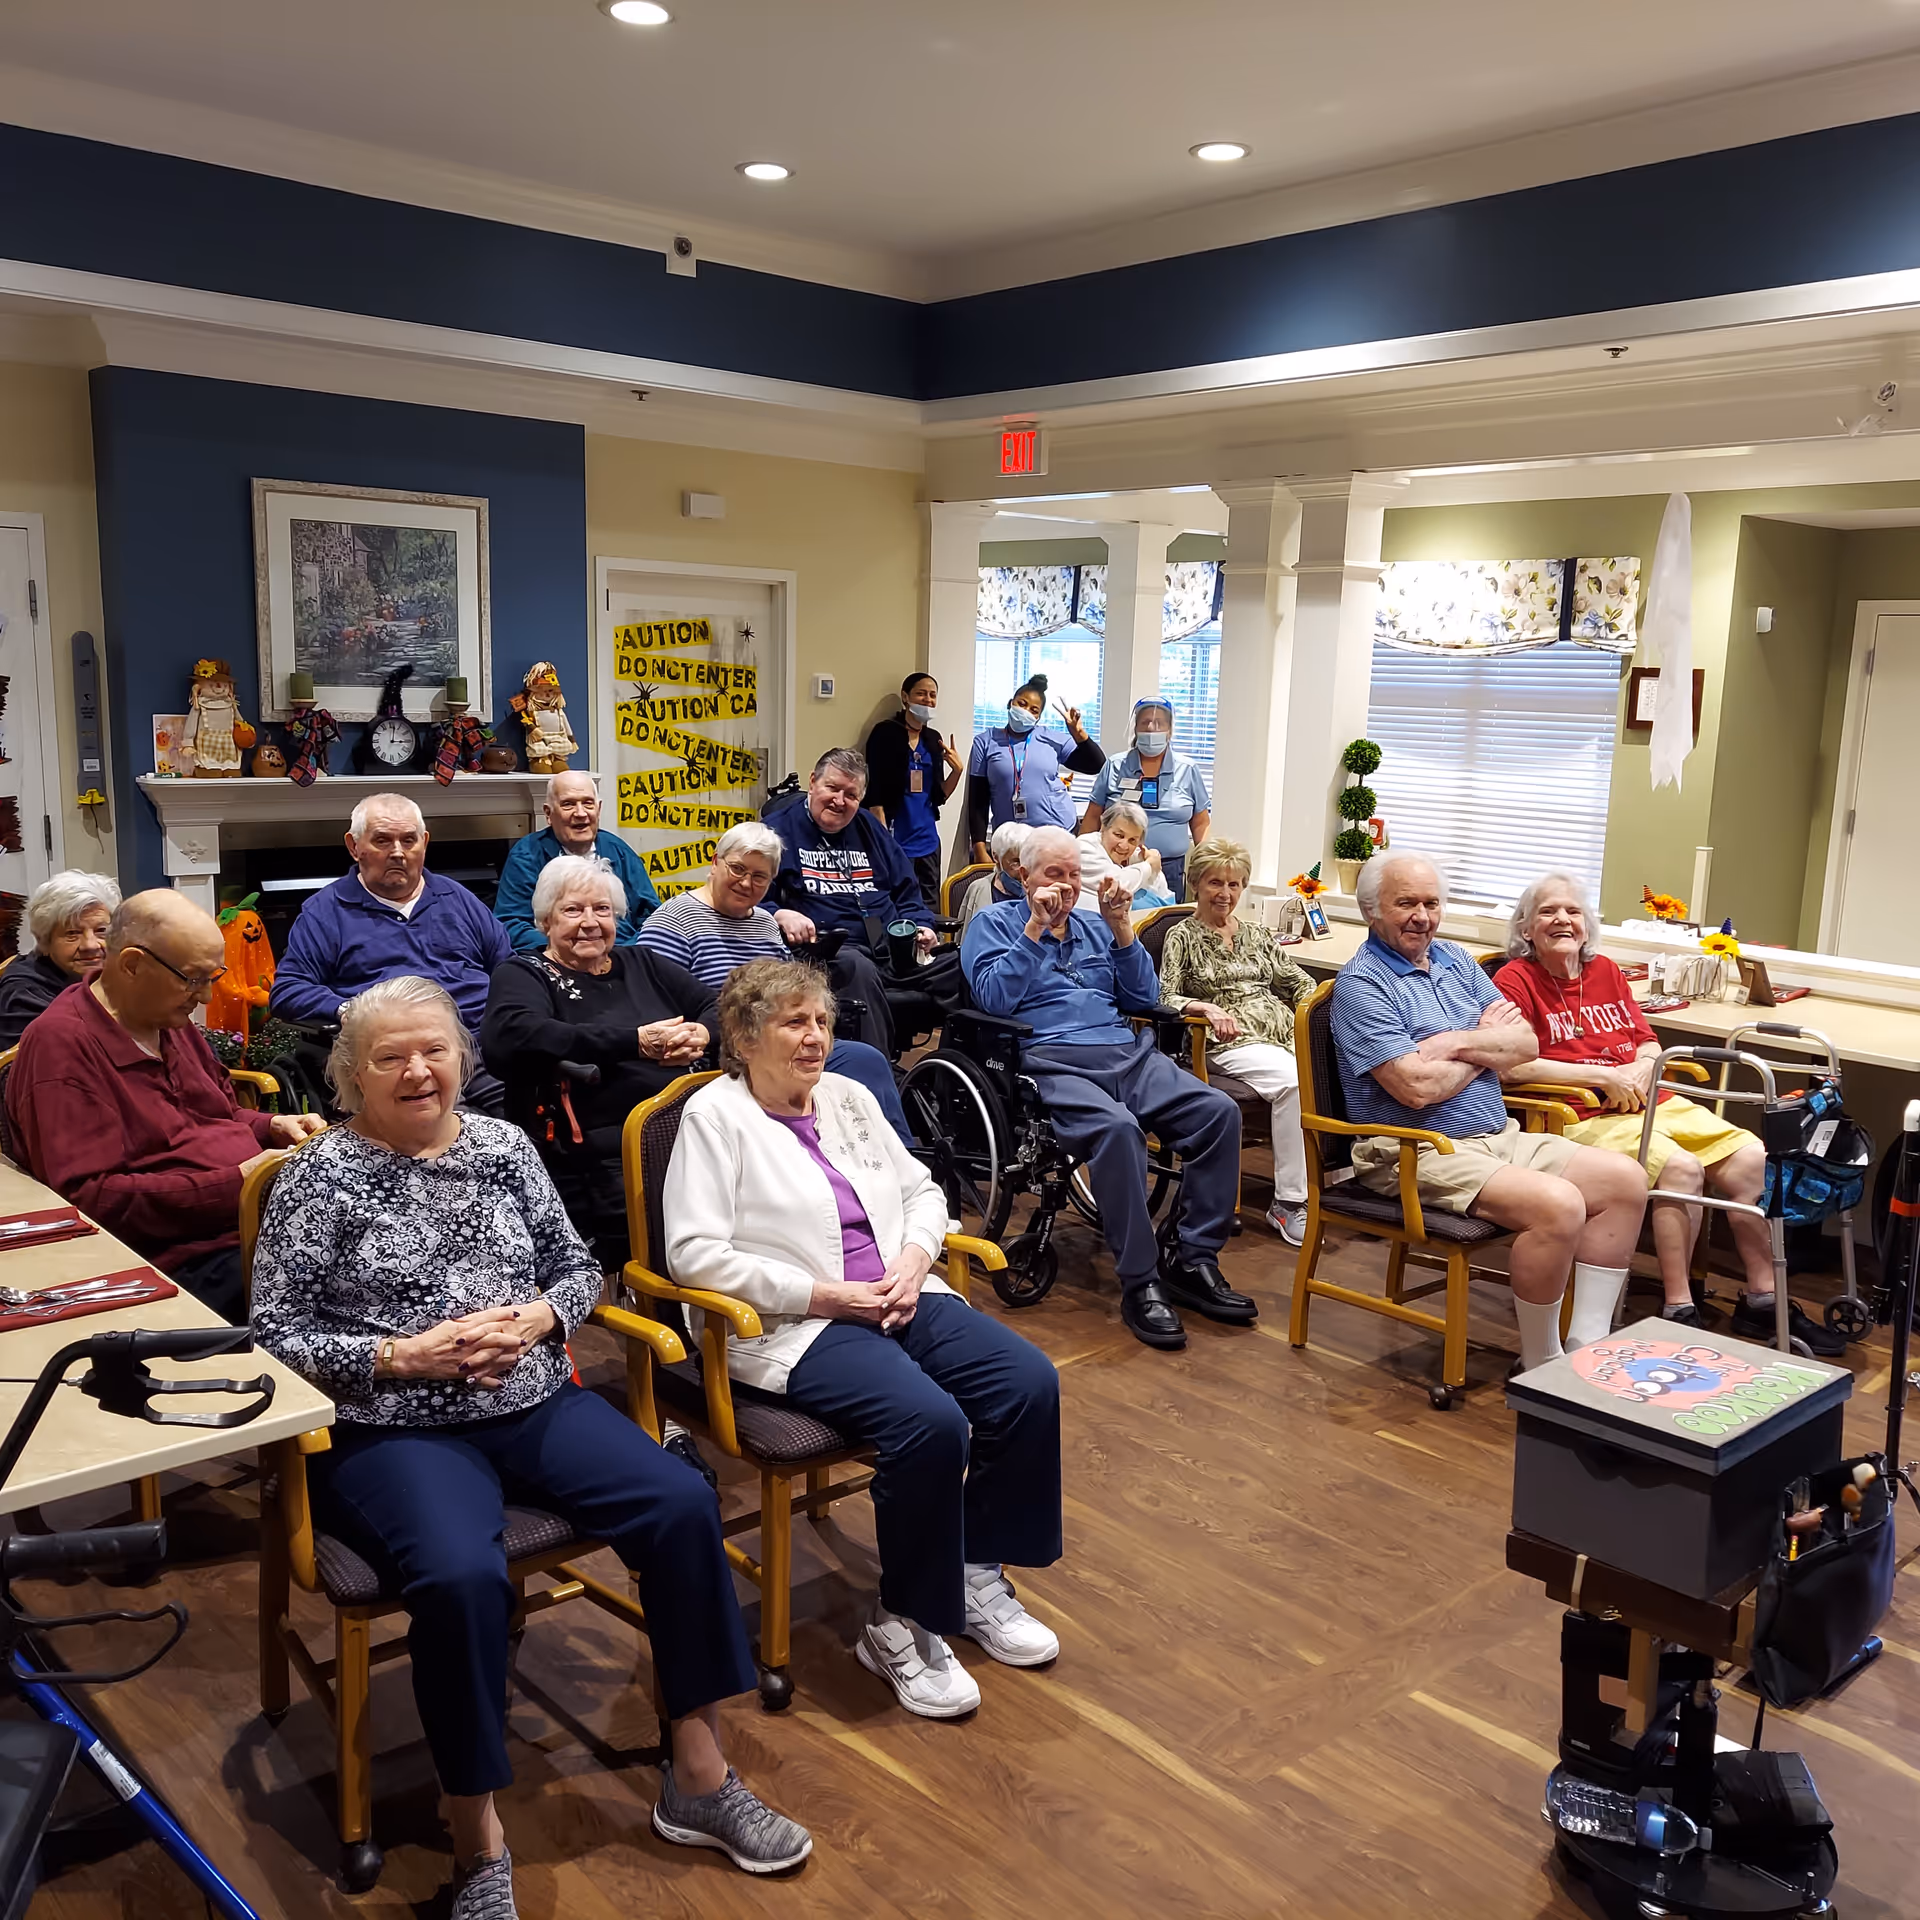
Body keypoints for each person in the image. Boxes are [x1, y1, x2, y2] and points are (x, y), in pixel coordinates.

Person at [253, 977, 808, 1916]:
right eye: (391, 1057)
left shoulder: (504, 1146)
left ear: (462, 1058)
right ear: (352, 1074)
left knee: (681, 1503)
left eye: (434, 1050)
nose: (418, 1071)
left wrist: (543, 1316)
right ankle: (476, 1835)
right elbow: (274, 1334)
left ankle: (698, 1775)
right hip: (391, 1424)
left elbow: (575, 1263)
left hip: (532, 1397)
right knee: (460, 1575)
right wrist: (398, 1355)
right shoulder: (318, 1177)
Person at [665, 960, 1062, 1720]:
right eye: (793, 1022)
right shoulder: (714, 1117)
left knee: (1026, 1382)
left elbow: (921, 1190)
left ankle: (974, 1571)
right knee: (930, 1422)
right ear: (744, 1038)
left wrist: (914, 1260)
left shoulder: (849, 1096)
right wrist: (824, 1294)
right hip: (794, 1320)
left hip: (897, 1291)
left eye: (821, 1021)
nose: (814, 1037)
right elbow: (695, 1255)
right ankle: (901, 1620)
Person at [1495, 871, 1847, 1355]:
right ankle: (1680, 1305)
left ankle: (1763, 1299)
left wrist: (1643, 1067)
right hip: (1577, 1114)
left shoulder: (1606, 971)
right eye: (1547, 912)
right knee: (1680, 1168)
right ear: (1526, 927)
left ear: (1587, 924)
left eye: (1572, 911)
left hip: (1649, 1101)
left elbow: (1646, 1040)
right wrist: (1600, 1078)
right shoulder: (1515, 979)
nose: (1562, 920)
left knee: (1752, 1158)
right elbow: (1510, 1065)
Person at [1330, 853, 1649, 1374]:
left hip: (1499, 1135)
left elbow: (1524, 1044)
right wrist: (1486, 1046)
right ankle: (1542, 1362)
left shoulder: (1456, 960)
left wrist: (1454, 1042)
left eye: (1432, 903)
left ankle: (1588, 1342)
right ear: (1371, 910)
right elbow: (1416, 1088)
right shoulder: (1361, 985)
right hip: (1413, 1150)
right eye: (1406, 903)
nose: (1423, 917)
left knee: (1625, 1181)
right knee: (1559, 1205)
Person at [961, 825, 1251, 1351]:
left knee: (1218, 1112)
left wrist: (1121, 929)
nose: (1067, 885)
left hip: (1125, 1052)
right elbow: (993, 1001)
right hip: (1050, 1062)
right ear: (1022, 875)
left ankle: (1193, 1259)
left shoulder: (1096, 925)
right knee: (1118, 1131)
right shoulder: (994, 924)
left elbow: (1142, 996)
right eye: (1054, 873)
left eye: (1074, 874)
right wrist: (1035, 929)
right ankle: (1141, 1281)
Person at [6, 890, 324, 1319]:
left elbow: (219, 1115)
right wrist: (239, 1182)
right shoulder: (61, 1047)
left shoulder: (166, 1018)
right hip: (182, 1258)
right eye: (192, 979)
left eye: (212, 977)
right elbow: (88, 1201)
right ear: (132, 964)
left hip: (248, 1226)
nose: (206, 997)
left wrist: (270, 1126)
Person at [480, 855, 715, 1266]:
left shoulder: (642, 962)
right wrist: (634, 1043)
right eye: (573, 910)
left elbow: (720, 1006)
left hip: (694, 1132)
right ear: (545, 921)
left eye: (602, 909)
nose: (590, 922)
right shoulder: (525, 972)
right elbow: (513, 1036)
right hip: (598, 1149)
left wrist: (703, 1033)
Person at [636, 823, 916, 1134]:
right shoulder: (672, 922)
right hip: (726, 1053)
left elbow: (793, 991)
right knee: (853, 1065)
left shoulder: (766, 924)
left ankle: (892, 1154)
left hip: (787, 1042)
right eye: (737, 869)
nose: (746, 883)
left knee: (866, 1060)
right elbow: (650, 1006)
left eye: (759, 877)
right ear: (715, 862)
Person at [271, 793, 513, 1111]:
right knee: (455, 1129)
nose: (398, 852)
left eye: (409, 840)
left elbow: (508, 970)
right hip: (403, 1062)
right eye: (382, 840)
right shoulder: (325, 911)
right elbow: (288, 990)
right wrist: (347, 1009)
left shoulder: (457, 898)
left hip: (482, 1047)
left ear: (424, 843)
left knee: (539, 1113)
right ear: (354, 846)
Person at [1157, 838, 1315, 1246]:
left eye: (1234, 884)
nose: (1225, 893)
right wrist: (1204, 1008)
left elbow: (1298, 982)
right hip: (1226, 1042)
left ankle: (1335, 1186)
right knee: (1296, 1083)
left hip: (1280, 1035)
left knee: (1337, 1067)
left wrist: (1317, 1008)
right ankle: (1289, 1203)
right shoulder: (1182, 936)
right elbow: (1164, 995)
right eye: (1215, 882)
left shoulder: (1257, 934)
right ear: (1196, 883)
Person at [764, 749, 963, 1006]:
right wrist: (778, 914)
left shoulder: (870, 828)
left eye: (851, 795)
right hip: (830, 955)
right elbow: (747, 899)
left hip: (892, 951)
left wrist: (921, 925)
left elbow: (907, 892)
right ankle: (877, 1035)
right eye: (832, 788)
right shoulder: (775, 832)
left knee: (962, 965)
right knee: (859, 969)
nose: (839, 801)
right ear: (812, 782)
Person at [494, 771, 660, 952]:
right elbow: (511, 924)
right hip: (559, 956)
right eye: (568, 804)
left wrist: (627, 953)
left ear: (598, 809)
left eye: (588, 803)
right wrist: (565, 949)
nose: (580, 813)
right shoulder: (527, 854)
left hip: (623, 951)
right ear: (548, 813)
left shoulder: (619, 850)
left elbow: (653, 917)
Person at [1079, 698, 1211, 902]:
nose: (1151, 728)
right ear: (1136, 728)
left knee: (1162, 918)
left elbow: (1201, 823)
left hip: (1170, 866)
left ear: (1170, 730)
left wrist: (1206, 867)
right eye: (1145, 722)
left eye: (1159, 723)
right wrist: (1079, 858)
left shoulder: (1188, 769)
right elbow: (1093, 816)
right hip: (1114, 862)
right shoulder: (1115, 765)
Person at [966, 673, 1104, 863]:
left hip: (1057, 833)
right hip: (1010, 841)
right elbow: (978, 799)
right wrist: (979, 848)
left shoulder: (1051, 738)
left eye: (1034, 710)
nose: (1026, 711)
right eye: (1022, 704)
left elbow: (1096, 765)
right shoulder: (985, 742)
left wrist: (1079, 733)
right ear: (1010, 703)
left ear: (1038, 717)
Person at [864, 671, 962, 910]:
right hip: (895, 838)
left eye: (932, 695)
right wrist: (883, 841)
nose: (928, 700)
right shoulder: (885, 733)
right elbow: (874, 793)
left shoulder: (933, 739)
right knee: (896, 905)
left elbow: (940, 795)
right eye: (921, 693)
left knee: (929, 908)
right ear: (905, 697)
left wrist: (958, 771)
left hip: (928, 840)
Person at [0, 869, 121, 1050]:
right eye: (72, 933)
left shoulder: (115, 970)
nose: (90, 945)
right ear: (45, 940)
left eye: (101, 931)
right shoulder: (25, 994)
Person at [1075, 801, 1172, 912]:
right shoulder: (1084, 847)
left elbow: (1163, 892)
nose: (1124, 846)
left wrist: (1147, 861)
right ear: (1103, 827)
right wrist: (1149, 865)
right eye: (1119, 835)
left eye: (1132, 840)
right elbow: (1115, 885)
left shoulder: (1137, 856)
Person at [957, 822, 1029, 935]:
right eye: (1016, 862)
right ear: (996, 857)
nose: (1023, 869)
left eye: (1028, 860)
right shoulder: (978, 889)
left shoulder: (1041, 888)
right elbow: (969, 938)